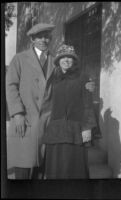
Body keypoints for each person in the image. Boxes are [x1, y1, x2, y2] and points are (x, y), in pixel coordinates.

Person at [6, 23, 56, 179]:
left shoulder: (55, 61)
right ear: (32, 39)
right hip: (25, 120)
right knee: (23, 166)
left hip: (46, 121)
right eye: (40, 37)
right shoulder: (19, 59)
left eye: (47, 36)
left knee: (40, 169)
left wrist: (87, 84)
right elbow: (11, 86)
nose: (44, 40)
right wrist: (17, 113)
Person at [41, 44, 97, 179]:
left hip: (75, 130)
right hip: (56, 129)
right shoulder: (52, 79)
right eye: (63, 57)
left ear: (74, 61)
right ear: (58, 61)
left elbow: (87, 104)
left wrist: (87, 128)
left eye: (70, 58)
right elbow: (46, 101)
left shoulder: (83, 78)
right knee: (55, 169)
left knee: (74, 168)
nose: (66, 60)